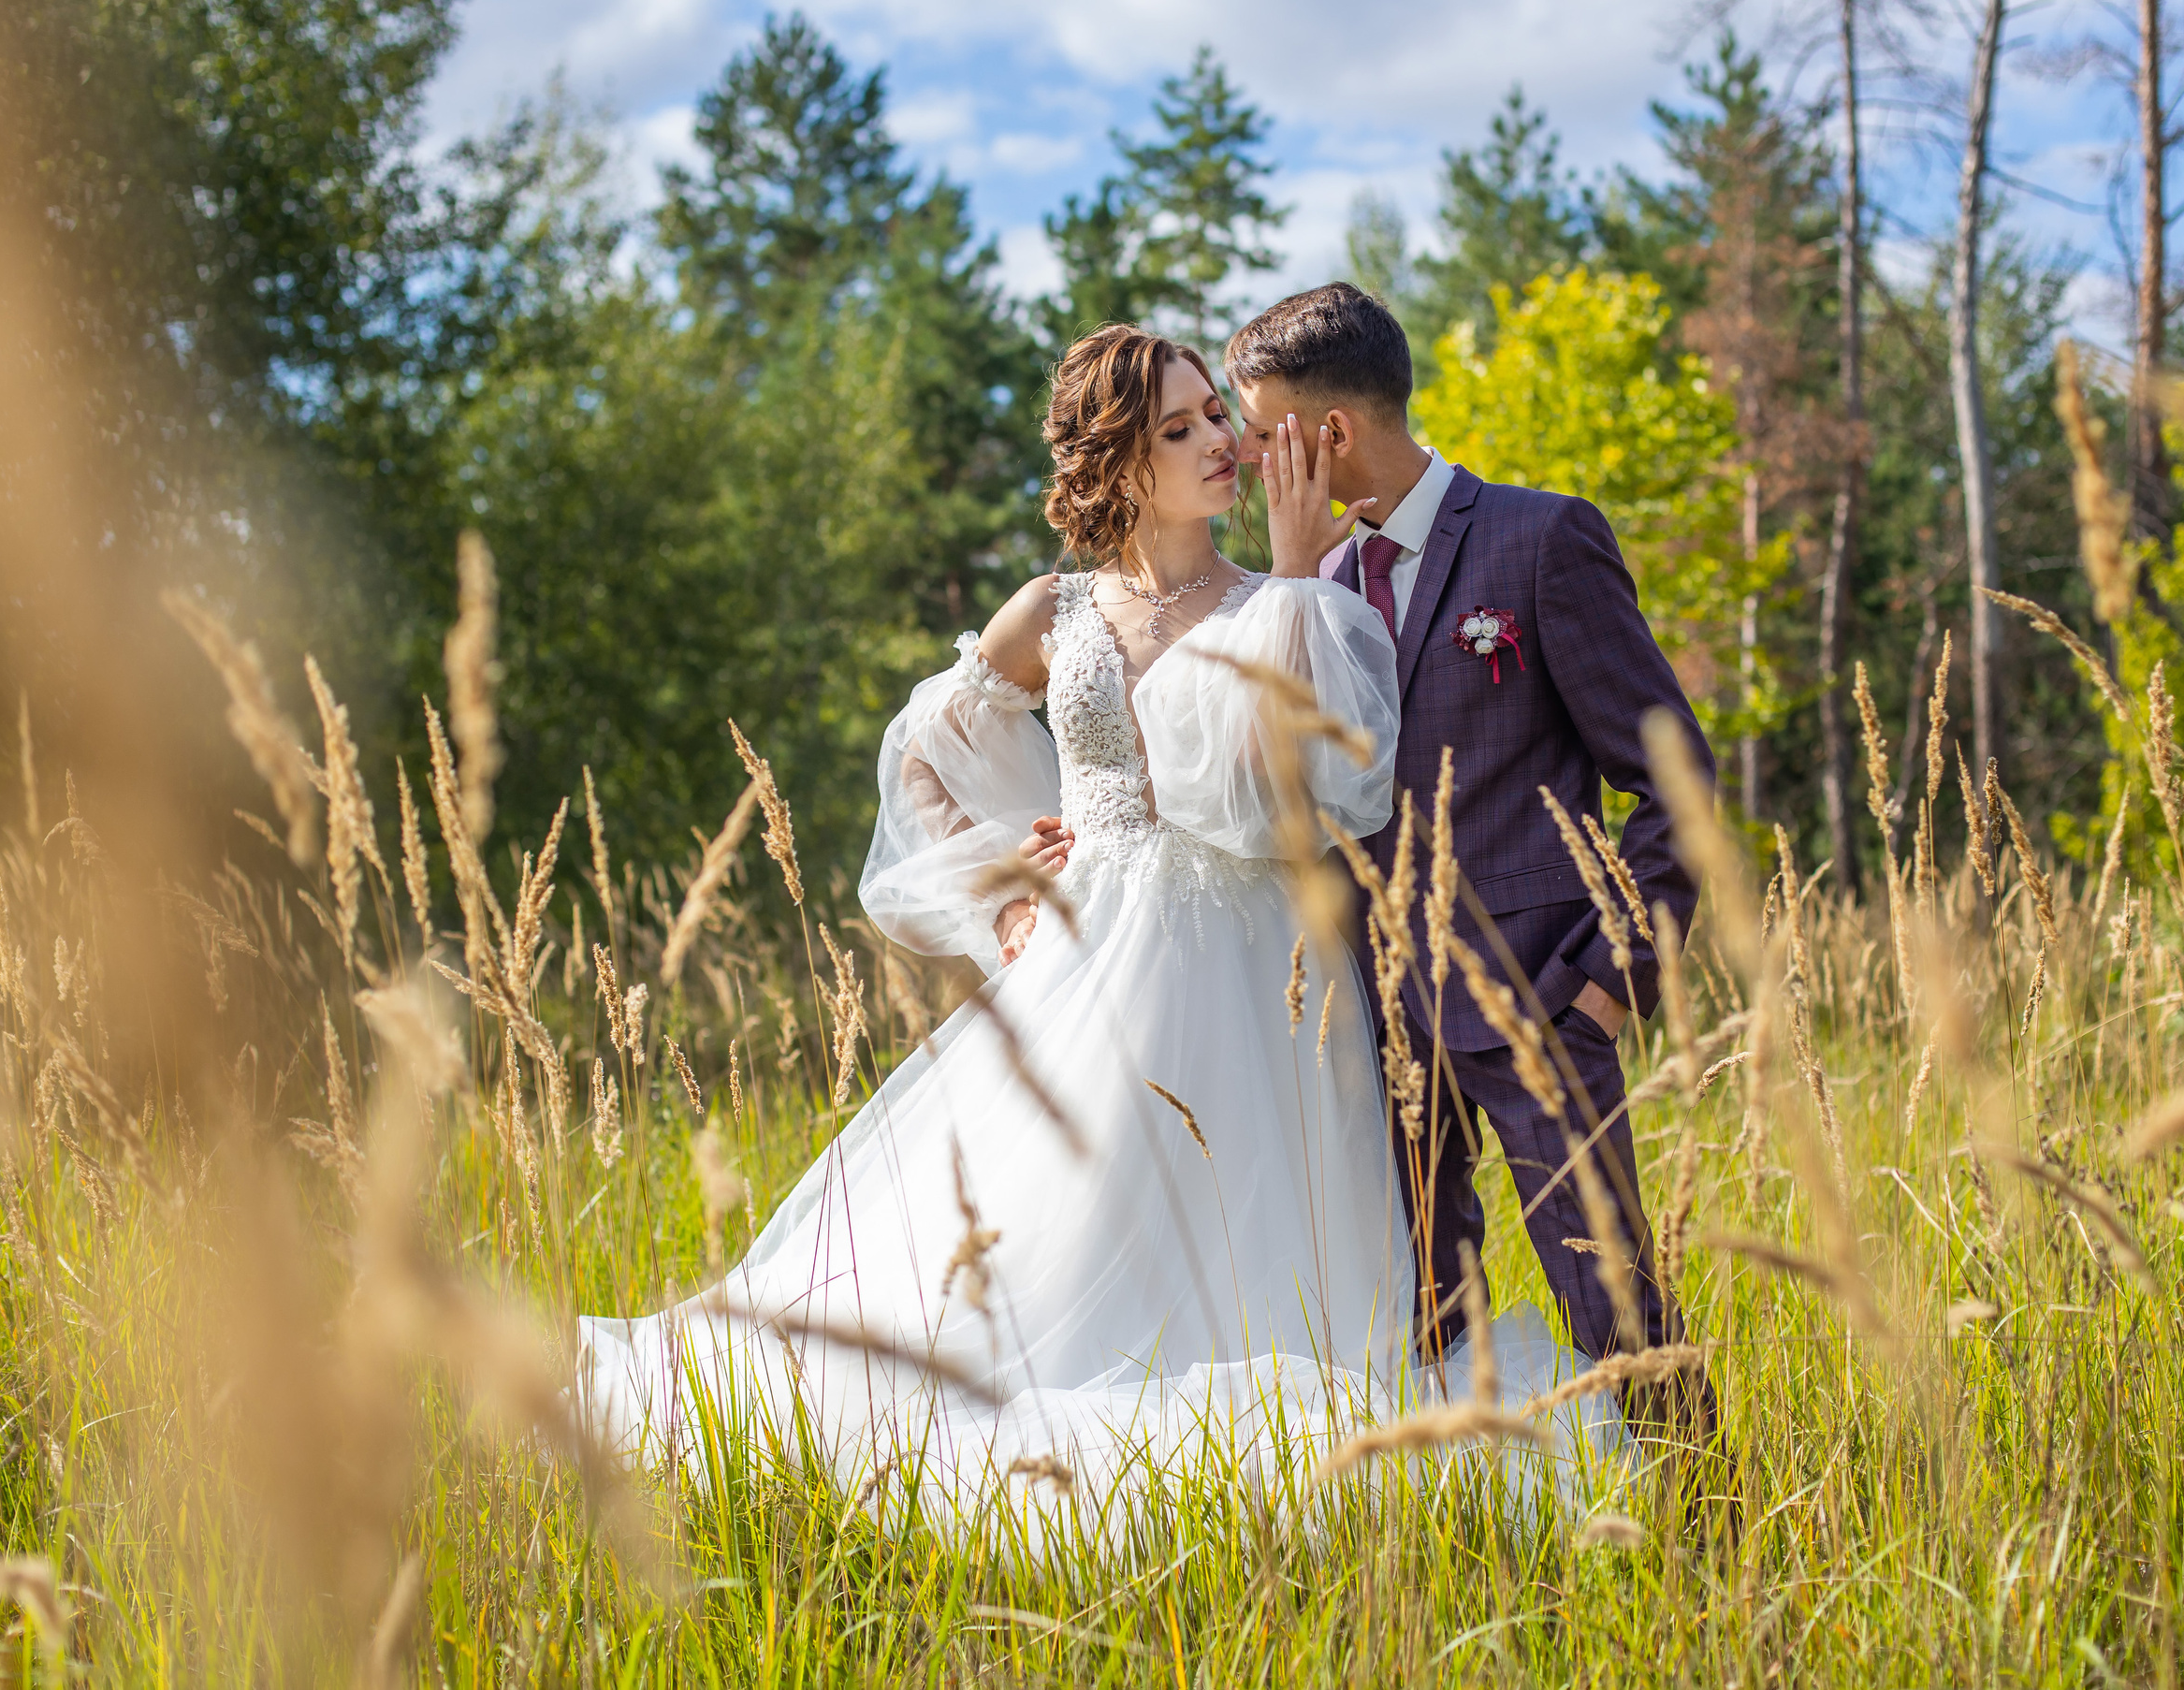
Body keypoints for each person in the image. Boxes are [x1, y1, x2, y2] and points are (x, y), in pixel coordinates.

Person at [575, 324, 1613, 1512]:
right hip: (1097, 954)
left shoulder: (1301, 595)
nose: (1221, 440)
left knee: (1270, 1235)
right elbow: (928, 741)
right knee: (1069, 1221)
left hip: (1266, 961)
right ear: (1119, 461)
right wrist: (1002, 878)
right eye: (1179, 429)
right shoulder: (1055, 609)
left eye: (1215, 415)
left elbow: (1320, 795)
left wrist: (1285, 566)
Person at [1215, 283, 1717, 1435]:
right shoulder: (1317, 592)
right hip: (1377, 1037)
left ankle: (1714, 1532)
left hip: (1539, 1003)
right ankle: (1493, 1541)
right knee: (1419, 1324)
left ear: (1328, 432)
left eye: (1260, 427)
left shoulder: (1540, 538)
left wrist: (1603, 990)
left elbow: (1673, 781)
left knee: (1619, 1314)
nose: (1246, 454)